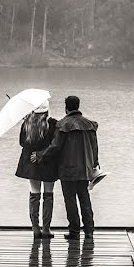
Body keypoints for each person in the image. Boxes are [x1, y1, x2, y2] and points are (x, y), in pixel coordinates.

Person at [32, 95, 98, 239]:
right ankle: (89, 231)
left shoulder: (63, 125)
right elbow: (94, 148)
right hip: (84, 169)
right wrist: (95, 165)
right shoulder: (89, 125)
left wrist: (40, 156)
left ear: (66, 107)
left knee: (70, 200)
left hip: (67, 169)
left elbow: (55, 147)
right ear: (78, 106)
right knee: (85, 199)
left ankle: (74, 232)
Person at [15, 100, 58, 238]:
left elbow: (22, 143)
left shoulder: (27, 124)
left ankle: (35, 229)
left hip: (32, 163)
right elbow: (55, 144)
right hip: (48, 163)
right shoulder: (52, 124)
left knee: (34, 194)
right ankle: (46, 229)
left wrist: (27, 121)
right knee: (48, 195)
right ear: (46, 111)